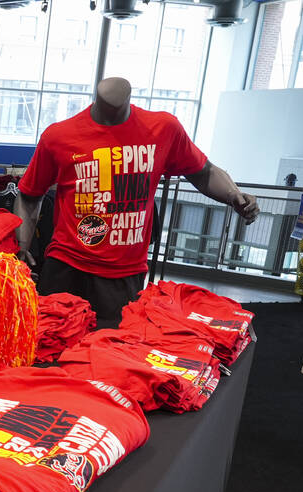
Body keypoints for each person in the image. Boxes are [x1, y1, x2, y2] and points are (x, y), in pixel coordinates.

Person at [16, 77, 258, 320]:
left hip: (124, 274)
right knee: (52, 348)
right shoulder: (59, 135)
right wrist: (22, 248)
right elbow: (28, 196)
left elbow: (204, 172)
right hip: (66, 266)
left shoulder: (163, 129)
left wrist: (233, 195)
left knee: (112, 350)